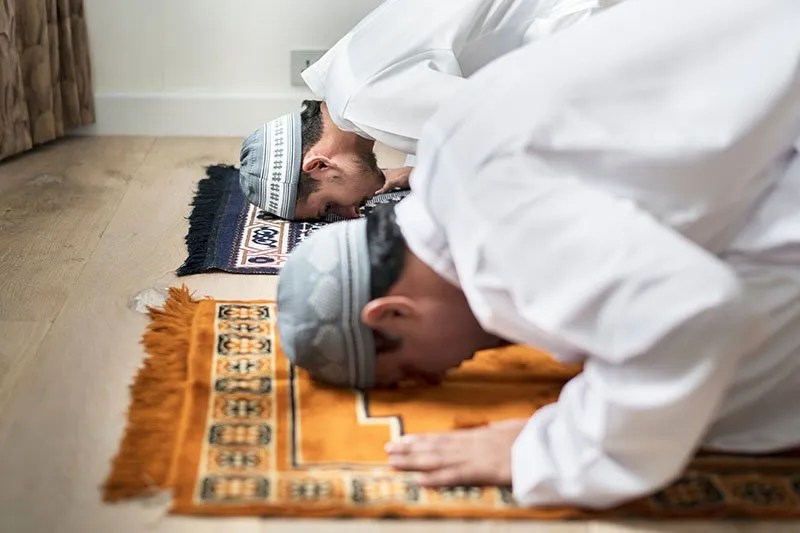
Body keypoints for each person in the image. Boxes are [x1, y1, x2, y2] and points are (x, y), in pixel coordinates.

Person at [275, 0, 800, 509]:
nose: (454, 370)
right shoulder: (446, 160)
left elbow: (694, 311)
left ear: (392, 313)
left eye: (414, 372)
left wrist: (553, 450)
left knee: (724, 400)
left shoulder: (494, 233)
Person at [238, 0, 620, 220]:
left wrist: (432, 179)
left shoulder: (366, 101)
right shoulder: (341, 74)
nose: (351, 212)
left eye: (329, 207)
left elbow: (518, 132)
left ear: (319, 165)